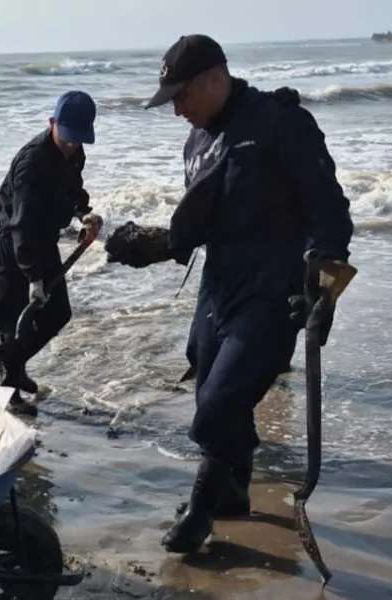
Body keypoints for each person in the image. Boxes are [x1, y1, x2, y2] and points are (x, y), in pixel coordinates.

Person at [136, 34, 354, 553]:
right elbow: (200, 218)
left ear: (216, 78)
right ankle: (233, 489)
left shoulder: (280, 123)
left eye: (181, 96)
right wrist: (154, 243)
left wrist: (324, 287)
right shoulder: (197, 140)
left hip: (274, 290)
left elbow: (330, 211)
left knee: (218, 406)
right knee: (206, 376)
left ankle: (200, 511)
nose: (177, 111)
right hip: (220, 285)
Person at [0, 90, 102, 418]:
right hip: (14, 245)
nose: (71, 145)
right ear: (53, 122)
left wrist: (83, 213)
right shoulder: (31, 163)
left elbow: (72, 189)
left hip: (44, 241)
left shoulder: (75, 152)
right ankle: (9, 392)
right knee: (12, 321)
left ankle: (15, 365)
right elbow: (21, 225)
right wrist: (33, 276)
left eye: (78, 140)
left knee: (58, 314)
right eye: (67, 137)